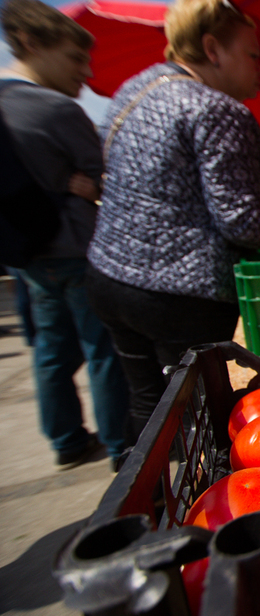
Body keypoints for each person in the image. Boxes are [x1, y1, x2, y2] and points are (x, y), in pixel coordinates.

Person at [85, 0, 260, 443]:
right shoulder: (219, 110)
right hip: (179, 298)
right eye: (253, 55)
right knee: (203, 426)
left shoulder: (133, 89)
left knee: (150, 412)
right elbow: (241, 222)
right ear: (213, 48)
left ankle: (149, 504)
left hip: (107, 276)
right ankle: (203, 510)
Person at [1, 0, 130, 470]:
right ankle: (123, 444)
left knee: (51, 349)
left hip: (28, 254)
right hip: (77, 249)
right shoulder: (55, 107)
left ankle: (67, 440)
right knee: (104, 349)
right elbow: (107, 177)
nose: (85, 72)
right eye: (75, 58)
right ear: (32, 44)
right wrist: (84, 183)